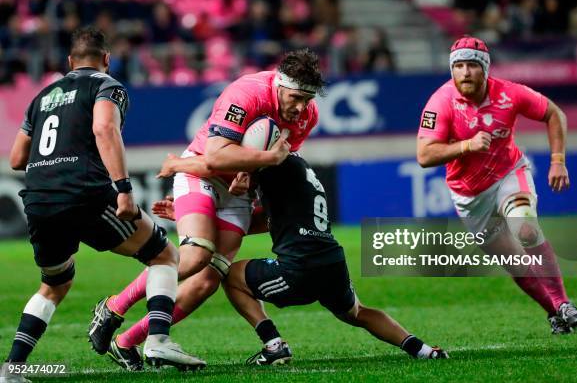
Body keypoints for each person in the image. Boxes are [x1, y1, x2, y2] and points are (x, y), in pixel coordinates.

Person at [89, 49, 325, 370]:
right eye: (296, 97)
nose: (301, 108)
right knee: (195, 255)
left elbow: (276, 165)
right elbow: (215, 156)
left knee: (207, 281)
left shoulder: (307, 116)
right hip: (201, 174)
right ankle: (114, 308)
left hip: (238, 195)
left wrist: (250, 175)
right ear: (279, 86)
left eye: (307, 100)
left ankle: (127, 341)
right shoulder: (247, 93)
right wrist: (263, 162)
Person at [0, 27, 203, 383]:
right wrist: (123, 188)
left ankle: (12, 369)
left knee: (55, 283)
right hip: (84, 192)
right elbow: (104, 129)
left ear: (69, 62)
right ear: (106, 59)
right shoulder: (107, 85)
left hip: (39, 197)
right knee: (164, 255)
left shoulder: (43, 96)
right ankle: (157, 340)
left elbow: (17, 158)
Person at [150, 154, 449, 364]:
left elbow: (214, 163)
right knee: (356, 313)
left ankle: (273, 344)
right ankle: (423, 350)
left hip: (300, 267)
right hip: (331, 259)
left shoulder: (272, 166)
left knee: (228, 274)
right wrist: (191, 217)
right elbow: (259, 222)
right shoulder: (297, 172)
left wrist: (178, 165)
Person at [416, 36, 577, 334]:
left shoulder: (509, 93)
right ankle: (554, 314)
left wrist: (558, 159)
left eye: (472, 65)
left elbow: (553, 113)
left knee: (525, 225)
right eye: (458, 66)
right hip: (469, 196)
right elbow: (424, 155)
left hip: (509, 174)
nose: (465, 72)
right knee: (515, 264)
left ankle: (563, 303)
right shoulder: (439, 103)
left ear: (485, 68)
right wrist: (466, 145)